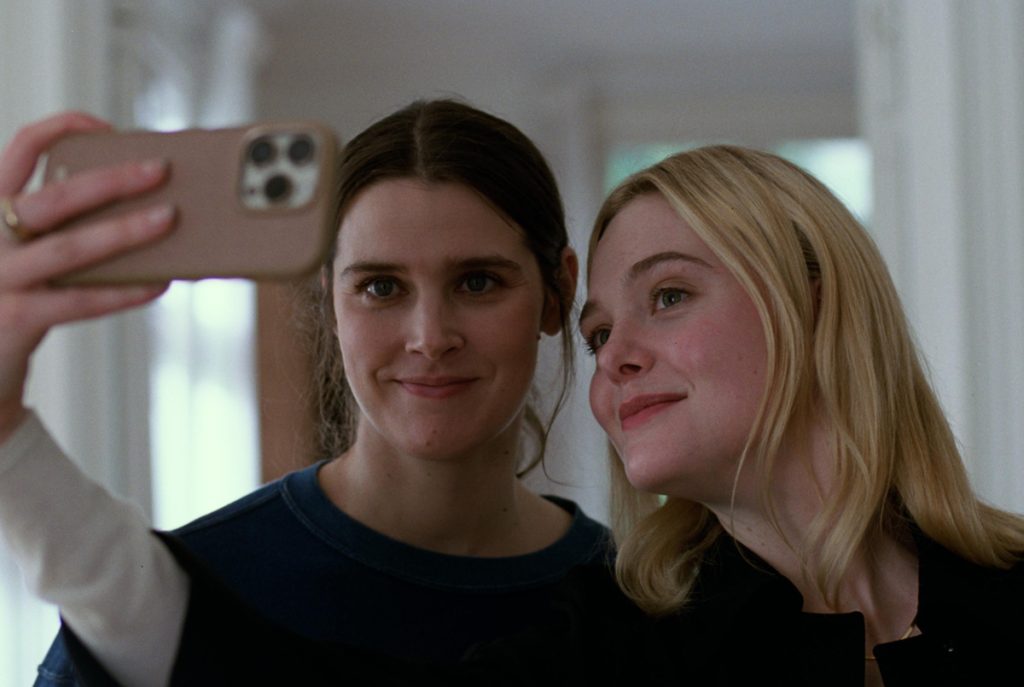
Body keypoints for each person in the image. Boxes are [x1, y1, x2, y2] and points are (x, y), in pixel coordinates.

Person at [0, 100, 621, 686]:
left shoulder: (635, 598)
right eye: (381, 287)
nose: (430, 338)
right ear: (329, 302)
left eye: (477, 282)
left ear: (558, 292)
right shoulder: (176, 600)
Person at [579, 144, 1024, 685]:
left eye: (669, 296)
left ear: (815, 305)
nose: (611, 358)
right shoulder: (591, 652)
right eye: (598, 334)